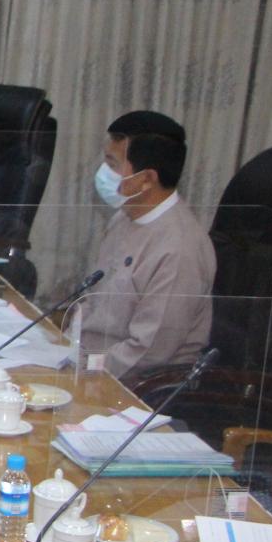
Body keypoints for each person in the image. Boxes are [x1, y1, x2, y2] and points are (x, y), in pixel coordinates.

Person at [78, 111, 215, 380]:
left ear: (147, 179)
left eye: (113, 164)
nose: (103, 173)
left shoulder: (179, 249)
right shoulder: (124, 217)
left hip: (132, 386)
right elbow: (93, 301)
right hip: (87, 363)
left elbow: (147, 354)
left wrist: (81, 372)